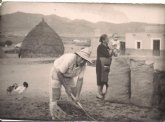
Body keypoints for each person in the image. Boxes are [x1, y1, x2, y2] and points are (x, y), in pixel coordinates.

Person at [49, 47, 92, 120]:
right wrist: (66, 87)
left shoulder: (84, 65)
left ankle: (72, 112)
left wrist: (77, 96)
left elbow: (80, 80)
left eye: (85, 60)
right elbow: (60, 73)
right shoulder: (70, 59)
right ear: (78, 56)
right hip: (57, 72)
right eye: (82, 59)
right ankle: (54, 116)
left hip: (69, 75)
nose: (82, 62)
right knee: (55, 95)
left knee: (74, 94)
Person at [96, 34, 112, 99]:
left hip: (105, 64)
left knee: (104, 78)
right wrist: (111, 51)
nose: (108, 40)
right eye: (107, 39)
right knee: (100, 78)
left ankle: (102, 92)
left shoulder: (106, 46)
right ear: (103, 40)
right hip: (100, 64)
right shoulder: (100, 47)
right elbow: (107, 55)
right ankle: (98, 93)